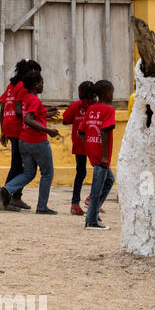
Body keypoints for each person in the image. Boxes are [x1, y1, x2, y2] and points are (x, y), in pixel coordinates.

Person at [0, 69, 59, 214]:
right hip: (37, 141)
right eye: (41, 82)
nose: (43, 85)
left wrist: (46, 113)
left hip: (23, 141)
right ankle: (42, 206)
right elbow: (29, 119)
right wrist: (48, 131)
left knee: (29, 172)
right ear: (35, 84)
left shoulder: (25, 98)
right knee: (47, 173)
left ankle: (6, 190)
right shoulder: (34, 99)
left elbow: (31, 115)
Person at [0, 59, 41, 209]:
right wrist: (41, 115)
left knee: (19, 164)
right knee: (19, 165)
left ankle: (15, 196)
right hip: (17, 127)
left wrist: (3, 129)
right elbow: (18, 110)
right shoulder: (23, 86)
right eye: (36, 72)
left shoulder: (11, 85)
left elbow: (3, 108)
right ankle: (5, 196)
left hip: (9, 125)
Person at [82, 80, 117, 230]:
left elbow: (82, 132)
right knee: (97, 188)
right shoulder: (109, 110)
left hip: (93, 151)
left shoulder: (91, 109)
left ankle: (93, 212)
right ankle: (91, 220)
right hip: (101, 155)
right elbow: (105, 131)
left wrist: (88, 148)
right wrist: (104, 156)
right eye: (112, 92)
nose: (113, 95)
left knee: (109, 180)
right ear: (106, 94)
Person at [62, 81, 94, 216]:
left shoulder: (76, 106)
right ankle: (92, 200)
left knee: (80, 173)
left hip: (79, 142)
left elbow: (65, 120)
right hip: (93, 142)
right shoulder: (95, 106)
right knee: (101, 171)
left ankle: (75, 204)